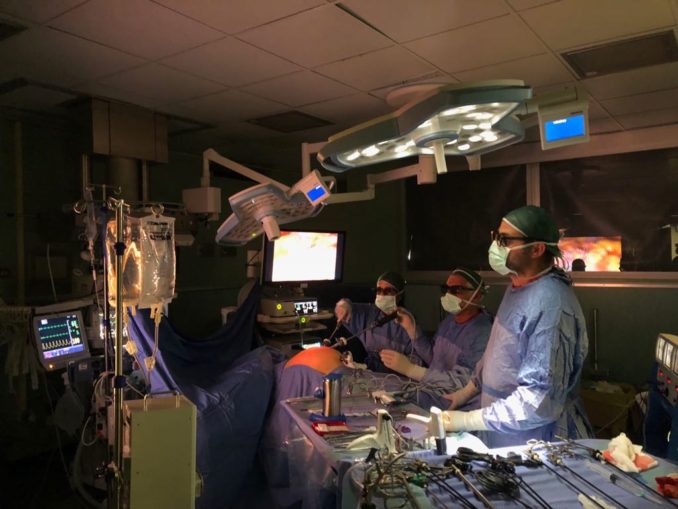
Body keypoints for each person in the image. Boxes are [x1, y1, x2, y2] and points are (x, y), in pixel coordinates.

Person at [439, 205, 592, 448]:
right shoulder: (518, 287)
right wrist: (465, 394)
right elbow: (497, 354)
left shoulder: (551, 304)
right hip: (503, 428)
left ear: (537, 249)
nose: (496, 246)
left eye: (505, 240)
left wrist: (468, 420)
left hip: (536, 439)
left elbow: (538, 401)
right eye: (496, 237)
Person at [378, 268, 492, 410]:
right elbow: (433, 358)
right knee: (383, 395)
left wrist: (411, 369)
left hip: (456, 404)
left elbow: (462, 383)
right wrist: (412, 330)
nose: (449, 294)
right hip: (433, 391)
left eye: (456, 290)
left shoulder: (482, 332)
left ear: (477, 296)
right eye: (446, 289)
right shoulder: (449, 321)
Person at [334, 271, 430, 373]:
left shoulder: (407, 322)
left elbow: (421, 359)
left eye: (388, 291)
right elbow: (349, 310)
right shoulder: (370, 314)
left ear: (399, 296)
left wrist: (404, 364)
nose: (382, 295)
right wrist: (343, 306)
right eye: (378, 290)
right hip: (370, 373)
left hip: (396, 377)